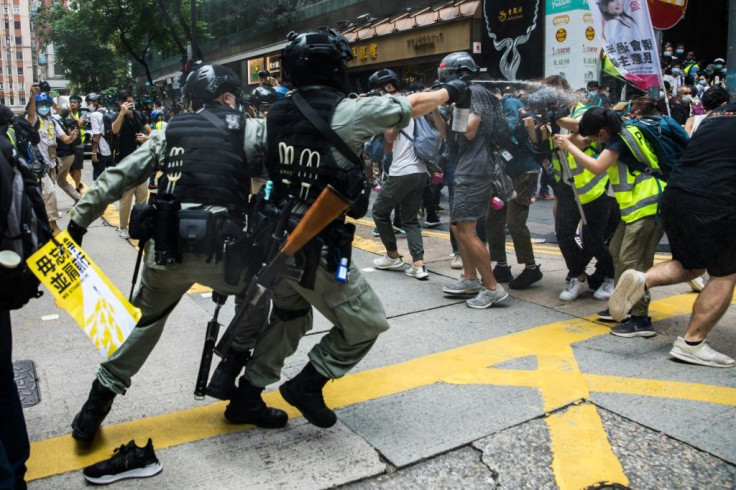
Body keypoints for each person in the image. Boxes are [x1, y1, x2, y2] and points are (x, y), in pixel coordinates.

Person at [223, 29, 469, 428]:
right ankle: (308, 382)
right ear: (334, 66)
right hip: (314, 242)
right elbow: (412, 104)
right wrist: (450, 91)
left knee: (289, 318)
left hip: (271, 239)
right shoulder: (348, 111)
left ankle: (247, 397)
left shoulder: (276, 114)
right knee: (367, 322)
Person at [67, 64, 274, 445]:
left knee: (143, 326)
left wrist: (79, 222)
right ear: (228, 97)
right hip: (224, 255)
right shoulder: (247, 127)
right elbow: (281, 161)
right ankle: (233, 370)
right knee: (259, 297)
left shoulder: (169, 132)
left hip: (166, 252)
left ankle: (95, 406)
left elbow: (119, 175)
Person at [608, 102, 736, 368]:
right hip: (714, 199)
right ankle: (692, 343)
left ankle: (642, 279)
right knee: (724, 272)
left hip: (675, 194)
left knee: (690, 264)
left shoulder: (716, 116)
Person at [553, 103, 665, 337]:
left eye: (594, 138)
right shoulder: (619, 128)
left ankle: (641, 319)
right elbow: (576, 129)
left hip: (647, 205)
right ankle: (623, 305)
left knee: (634, 263)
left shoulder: (617, 142)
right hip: (634, 208)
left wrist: (568, 146)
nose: (591, 141)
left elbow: (596, 166)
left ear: (602, 133)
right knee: (616, 253)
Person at [532, 76, 619, 302]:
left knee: (592, 240)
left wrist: (560, 121)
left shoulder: (584, 112)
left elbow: (584, 138)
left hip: (594, 189)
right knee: (563, 233)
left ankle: (611, 276)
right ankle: (578, 277)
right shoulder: (550, 116)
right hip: (566, 189)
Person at [432, 52, 509, 308]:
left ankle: (492, 288)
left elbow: (469, 130)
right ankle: (469, 278)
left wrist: (454, 111)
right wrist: (436, 110)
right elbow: (449, 137)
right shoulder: (467, 95)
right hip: (465, 167)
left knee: (466, 229)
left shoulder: (473, 93)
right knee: (458, 226)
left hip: (474, 170)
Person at [369, 68, 430, 280]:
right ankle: (418, 265)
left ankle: (393, 256)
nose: (377, 94)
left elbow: (389, 138)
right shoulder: (413, 102)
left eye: (378, 89)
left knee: (379, 211)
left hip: (402, 171)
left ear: (387, 87)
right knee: (410, 219)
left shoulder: (393, 105)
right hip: (420, 170)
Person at [486, 87, 543, 290]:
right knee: (494, 218)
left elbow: (506, 131)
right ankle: (501, 265)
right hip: (504, 172)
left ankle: (531, 268)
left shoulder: (509, 104)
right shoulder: (493, 107)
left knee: (514, 221)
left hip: (524, 170)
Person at [111, 91, 151, 239]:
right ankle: (123, 227)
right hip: (125, 164)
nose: (131, 104)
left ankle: (139, 226)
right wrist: (122, 113)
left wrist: (146, 138)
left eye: (132, 101)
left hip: (141, 162)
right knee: (126, 198)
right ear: (121, 103)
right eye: (128, 102)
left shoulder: (139, 115)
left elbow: (151, 132)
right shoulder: (116, 115)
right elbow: (114, 130)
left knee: (142, 197)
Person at [85, 92, 114, 180]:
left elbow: (96, 136)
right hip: (111, 150)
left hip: (101, 151)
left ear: (96, 102)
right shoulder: (111, 112)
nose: (88, 105)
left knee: (98, 179)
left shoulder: (95, 115)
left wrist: (94, 153)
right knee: (112, 178)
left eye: (89, 103)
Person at [65, 95, 86, 193]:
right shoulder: (65, 114)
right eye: (71, 102)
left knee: (77, 167)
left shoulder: (83, 113)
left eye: (74, 102)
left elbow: (80, 123)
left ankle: (77, 187)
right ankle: (78, 183)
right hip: (68, 144)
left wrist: (70, 113)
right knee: (69, 168)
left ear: (79, 104)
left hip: (78, 144)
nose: (72, 104)